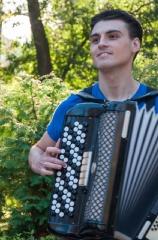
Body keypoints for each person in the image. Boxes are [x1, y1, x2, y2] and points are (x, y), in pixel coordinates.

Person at [28, 9, 158, 175]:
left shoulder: (155, 103)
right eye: (95, 39)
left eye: (112, 36)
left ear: (135, 44)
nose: (101, 43)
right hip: (84, 201)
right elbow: (38, 149)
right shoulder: (74, 106)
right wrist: (37, 159)